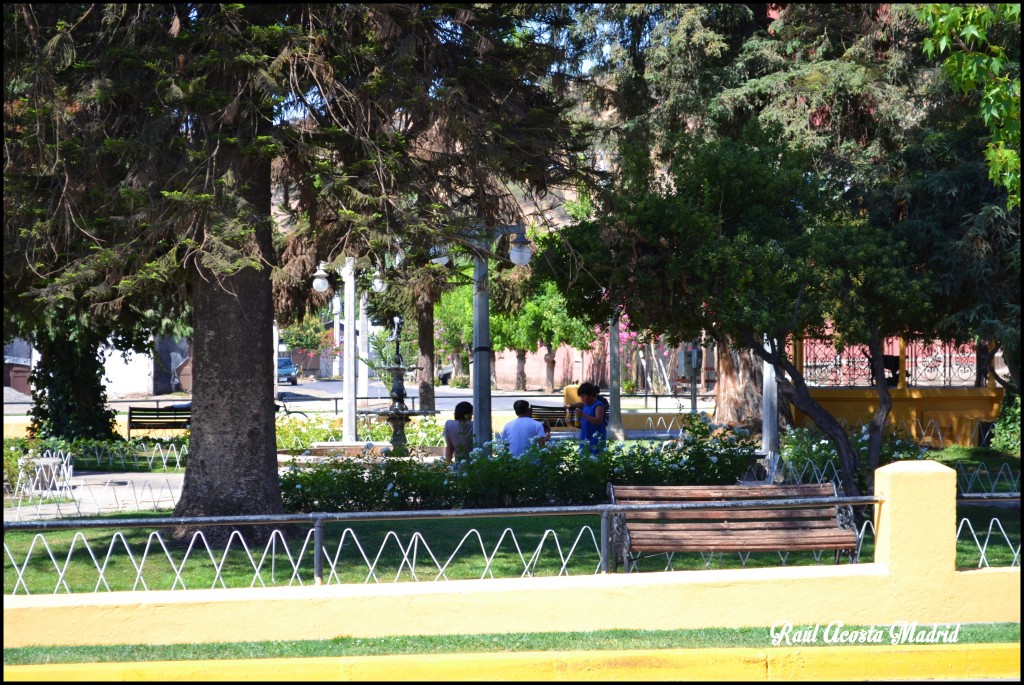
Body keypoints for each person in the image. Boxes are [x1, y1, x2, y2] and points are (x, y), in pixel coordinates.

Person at [567, 382, 608, 454]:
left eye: (583, 396)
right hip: (585, 439)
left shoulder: (598, 406)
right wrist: (573, 424)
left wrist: (583, 414)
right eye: (581, 397)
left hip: (595, 440)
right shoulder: (586, 405)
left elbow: (598, 421)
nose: (582, 399)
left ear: (591, 394)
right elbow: (585, 424)